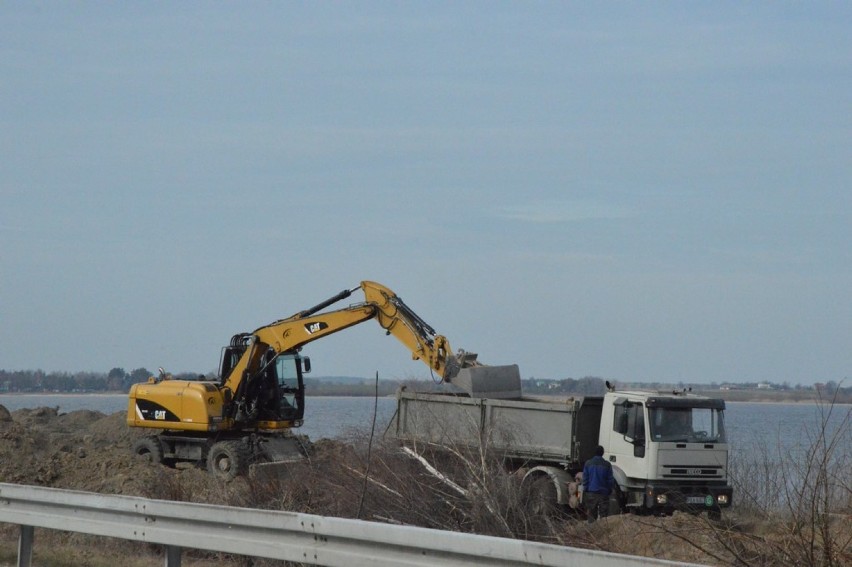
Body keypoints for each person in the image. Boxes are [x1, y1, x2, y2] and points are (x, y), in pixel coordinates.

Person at [582, 445, 615, 523]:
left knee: (591, 517)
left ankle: (591, 533)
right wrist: (609, 490)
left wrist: (586, 489)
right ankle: (602, 533)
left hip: (591, 493)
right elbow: (610, 480)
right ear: (602, 453)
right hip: (604, 494)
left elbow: (585, 479)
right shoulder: (607, 464)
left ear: (594, 453)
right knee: (604, 518)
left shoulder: (588, 463)